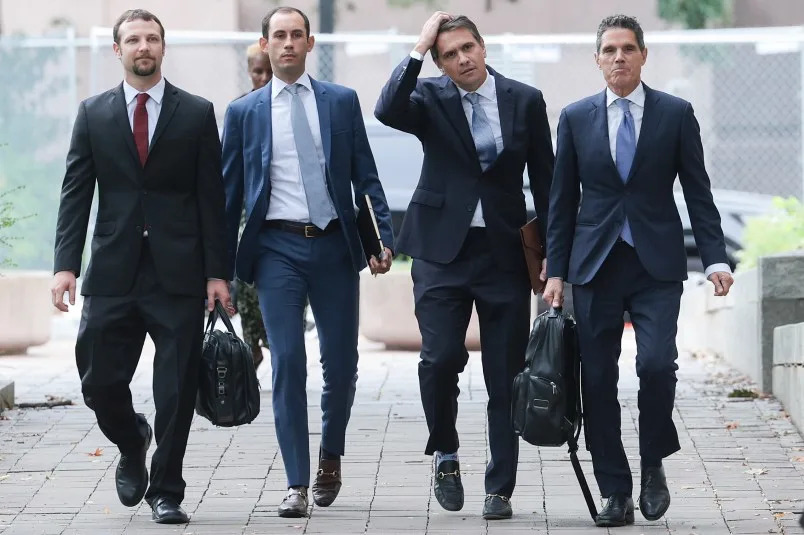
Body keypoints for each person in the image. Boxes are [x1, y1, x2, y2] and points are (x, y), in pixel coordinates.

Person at [543, 14, 734, 528]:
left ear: (643, 55)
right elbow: (561, 202)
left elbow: (698, 190)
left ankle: (653, 463)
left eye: (628, 48)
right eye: (609, 49)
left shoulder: (675, 113)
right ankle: (615, 490)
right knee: (598, 377)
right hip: (594, 266)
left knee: (654, 366)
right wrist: (555, 270)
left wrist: (715, 256)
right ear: (598, 58)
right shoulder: (577, 117)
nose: (619, 57)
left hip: (656, 264)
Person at [50, 9, 231, 525]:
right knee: (98, 380)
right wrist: (66, 265)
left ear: (163, 47)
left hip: (178, 273)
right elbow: (75, 194)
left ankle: (167, 490)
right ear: (118, 50)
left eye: (152, 38)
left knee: (175, 390)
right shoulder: (93, 113)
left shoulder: (196, 113)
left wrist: (216, 273)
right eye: (133, 39)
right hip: (113, 271)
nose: (143, 46)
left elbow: (210, 199)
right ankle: (133, 440)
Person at [374, 12, 554, 520]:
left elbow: (548, 180)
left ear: (483, 45)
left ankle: (500, 486)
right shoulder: (428, 98)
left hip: (503, 253)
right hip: (439, 251)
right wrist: (418, 46)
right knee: (438, 360)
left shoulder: (524, 99)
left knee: (507, 374)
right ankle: (446, 454)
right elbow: (386, 109)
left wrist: (554, 259)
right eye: (449, 54)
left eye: (468, 47)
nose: (462, 59)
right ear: (440, 61)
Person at [221, 6, 395, 518]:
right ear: (265, 44)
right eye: (280, 36)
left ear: (311, 43)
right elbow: (229, 196)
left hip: (335, 246)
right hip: (276, 249)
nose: (289, 43)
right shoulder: (245, 112)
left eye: (297, 35)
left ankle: (330, 455)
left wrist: (383, 237)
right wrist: (220, 270)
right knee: (288, 361)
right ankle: (296, 482)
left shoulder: (341, 103)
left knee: (341, 368)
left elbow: (366, 174)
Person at [234, 42, 273, 369]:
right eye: (258, 72)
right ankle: (252, 346)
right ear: (249, 72)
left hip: (279, 212)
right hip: (247, 213)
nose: (263, 78)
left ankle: (275, 341)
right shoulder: (241, 110)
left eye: (269, 72)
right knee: (246, 287)